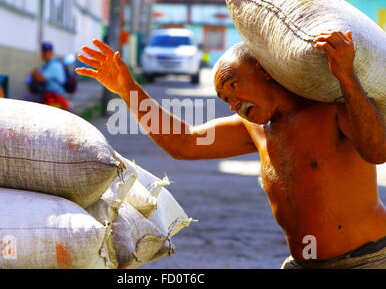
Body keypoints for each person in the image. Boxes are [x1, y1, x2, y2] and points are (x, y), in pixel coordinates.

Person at [77, 30, 386, 269]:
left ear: (264, 71)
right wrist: (127, 87)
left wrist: (346, 76)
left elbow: (378, 151)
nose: (235, 105)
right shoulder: (254, 129)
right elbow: (183, 143)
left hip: (367, 260)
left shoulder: (329, 109)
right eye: (226, 100)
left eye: (233, 85)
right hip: (303, 263)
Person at [28, 42, 69, 110]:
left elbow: (40, 78)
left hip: (55, 97)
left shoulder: (54, 65)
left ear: (52, 53)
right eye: (44, 52)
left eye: (47, 52)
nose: (45, 54)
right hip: (49, 95)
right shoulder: (47, 64)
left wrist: (34, 74)